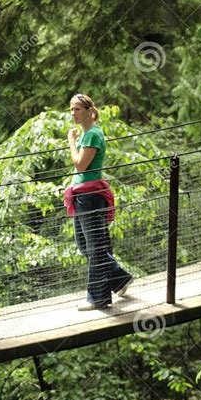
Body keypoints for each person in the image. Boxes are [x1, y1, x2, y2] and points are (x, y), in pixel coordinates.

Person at [66, 93, 133, 310]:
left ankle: (98, 299)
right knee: (85, 245)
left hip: (90, 197)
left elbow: (80, 165)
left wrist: (71, 142)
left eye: (77, 109)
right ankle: (120, 278)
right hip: (82, 196)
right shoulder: (89, 134)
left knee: (94, 247)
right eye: (71, 109)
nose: (73, 113)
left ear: (89, 111)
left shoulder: (92, 135)